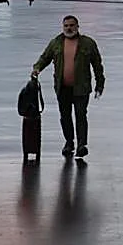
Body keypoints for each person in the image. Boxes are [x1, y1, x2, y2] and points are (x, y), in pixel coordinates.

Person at [32, 15, 105, 158]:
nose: (69, 28)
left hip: (81, 88)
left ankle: (81, 145)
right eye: (66, 26)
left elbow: (97, 65)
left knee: (80, 115)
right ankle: (69, 142)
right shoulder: (56, 43)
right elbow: (45, 58)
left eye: (71, 25)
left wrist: (99, 84)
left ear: (77, 26)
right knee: (65, 116)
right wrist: (37, 69)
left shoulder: (88, 43)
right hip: (62, 88)